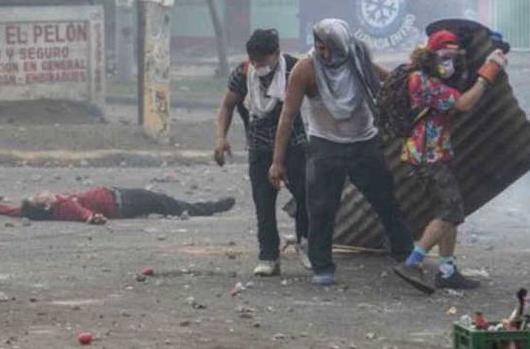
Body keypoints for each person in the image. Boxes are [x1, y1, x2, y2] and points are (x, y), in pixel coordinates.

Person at [269, 18, 414, 285]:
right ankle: (322, 266)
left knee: (386, 201)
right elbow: (287, 117)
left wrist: (414, 77)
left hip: (364, 143)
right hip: (325, 146)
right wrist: (277, 162)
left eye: (329, 49)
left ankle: (405, 257)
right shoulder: (306, 69)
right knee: (321, 208)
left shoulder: (357, 60)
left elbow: (388, 80)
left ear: (342, 45)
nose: (324, 54)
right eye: (319, 48)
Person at [392, 30, 508, 293]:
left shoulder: (429, 76)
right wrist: (489, 71)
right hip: (426, 156)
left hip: (434, 154)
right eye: (444, 56)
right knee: (451, 210)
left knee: (448, 212)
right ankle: (412, 262)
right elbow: (464, 103)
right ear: (430, 55)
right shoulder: (421, 81)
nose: (449, 62)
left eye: (453, 57)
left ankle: (447, 270)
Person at [215, 29, 310, 276]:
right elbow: (227, 105)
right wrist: (220, 138)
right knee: (263, 204)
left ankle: (307, 244)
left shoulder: (294, 70)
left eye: (262, 60)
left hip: (294, 145)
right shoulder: (244, 73)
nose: (258, 65)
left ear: (276, 54)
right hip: (259, 147)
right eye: (253, 59)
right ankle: (268, 256)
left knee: (305, 197)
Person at [0, 187, 235, 224]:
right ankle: (212, 207)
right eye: (40, 198)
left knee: (166, 203)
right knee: (167, 203)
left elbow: (18, 211)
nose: (43, 193)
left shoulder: (46, 209)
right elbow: (81, 212)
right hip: (122, 202)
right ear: (45, 207)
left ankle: (205, 207)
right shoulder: (63, 206)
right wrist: (91, 218)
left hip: (120, 196)